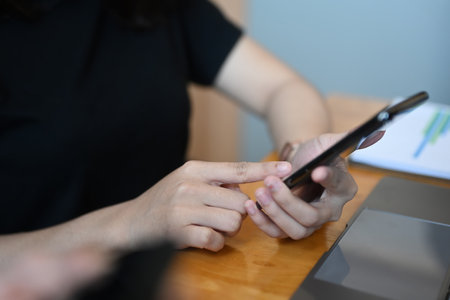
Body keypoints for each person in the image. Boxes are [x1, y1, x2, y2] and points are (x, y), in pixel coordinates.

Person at [0, 0, 360, 271]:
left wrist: (301, 162)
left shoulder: (156, 7)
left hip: (170, 279)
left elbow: (283, 88)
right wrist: (130, 223)